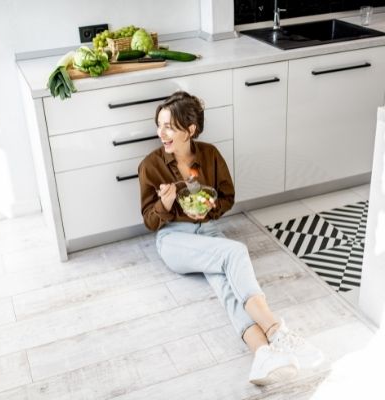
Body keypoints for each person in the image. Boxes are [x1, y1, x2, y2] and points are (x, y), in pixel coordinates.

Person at [138, 91, 323, 385]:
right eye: (159, 125)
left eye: (169, 126)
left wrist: (211, 209)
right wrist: (166, 204)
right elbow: (149, 220)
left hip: (209, 232)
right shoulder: (151, 165)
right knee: (234, 253)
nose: (161, 133)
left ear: (190, 130)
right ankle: (277, 331)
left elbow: (227, 196)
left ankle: (262, 354)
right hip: (173, 239)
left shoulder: (210, 155)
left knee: (227, 286)